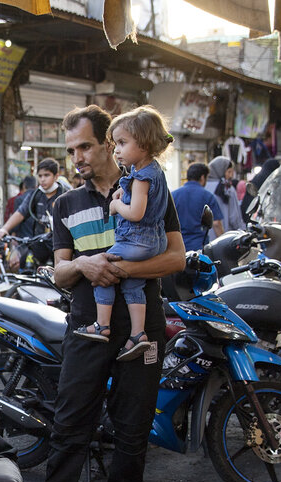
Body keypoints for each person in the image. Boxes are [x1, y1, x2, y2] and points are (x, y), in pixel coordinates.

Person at [5, 105, 185, 482]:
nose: (77, 157)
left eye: (85, 145)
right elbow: (59, 274)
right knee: (69, 423)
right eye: (71, 150)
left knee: (133, 425)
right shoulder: (65, 203)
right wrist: (84, 264)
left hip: (142, 326)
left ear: (111, 142)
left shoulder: (152, 188)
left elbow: (177, 259)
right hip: (87, 325)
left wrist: (120, 267)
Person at [74, 106, 173, 361]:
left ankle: (101, 325)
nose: (116, 149)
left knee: (103, 268)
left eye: (122, 143)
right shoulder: (152, 173)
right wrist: (122, 193)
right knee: (133, 283)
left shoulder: (141, 177)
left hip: (137, 240)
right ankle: (138, 334)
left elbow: (136, 212)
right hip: (154, 241)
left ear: (144, 143)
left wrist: (116, 205)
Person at [0, 159, 71, 266]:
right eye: (40, 176)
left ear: (56, 176)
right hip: (40, 244)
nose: (42, 179)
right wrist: (4, 229)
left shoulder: (65, 194)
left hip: (61, 245)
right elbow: (21, 212)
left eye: (46, 175)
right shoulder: (35, 195)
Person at [171, 163, 225, 252]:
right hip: (199, 246)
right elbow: (216, 224)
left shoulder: (173, 195)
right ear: (202, 177)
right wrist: (223, 245)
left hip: (178, 246)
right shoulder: (207, 196)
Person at [206, 156, 246, 232]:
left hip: (205, 237)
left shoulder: (203, 187)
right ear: (220, 171)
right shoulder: (227, 188)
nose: (231, 176)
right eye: (229, 172)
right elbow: (234, 218)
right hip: (224, 235)